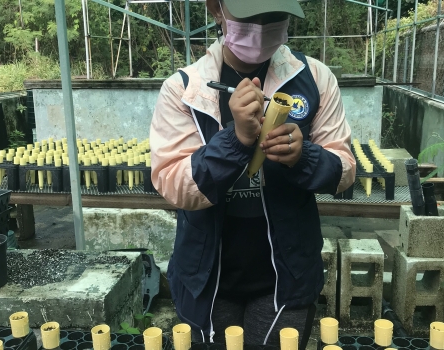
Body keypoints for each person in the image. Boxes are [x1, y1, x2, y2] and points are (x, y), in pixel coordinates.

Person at [150, 0, 356, 347]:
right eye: (249, 17)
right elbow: (173, 184)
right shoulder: (184, 89)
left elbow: (345, 170)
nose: (261, 28)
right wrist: (236, 140)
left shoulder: (315, 79)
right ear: (217, 9)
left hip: (286, 277)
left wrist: (303, 156)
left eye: (273, 17)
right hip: (207, 280)